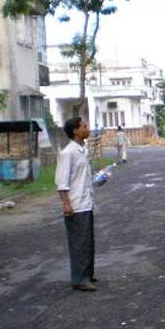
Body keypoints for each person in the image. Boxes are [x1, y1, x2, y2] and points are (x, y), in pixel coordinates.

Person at [55, 117, 98, 292]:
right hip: (75, 205)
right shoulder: (68, 153)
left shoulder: (82, 150)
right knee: (78, 243)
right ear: (75, 131)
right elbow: (61, 182)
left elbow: (81, 178)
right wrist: (66, 204)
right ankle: (79, 278)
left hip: (86, 202)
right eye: (84, 126)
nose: (87, 129)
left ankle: (87, 274)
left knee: (87, 242)